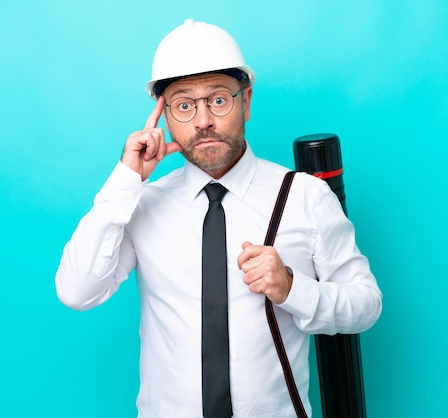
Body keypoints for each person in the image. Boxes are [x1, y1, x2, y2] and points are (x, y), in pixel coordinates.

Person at [56, 18, 382, 418]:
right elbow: (77, 291)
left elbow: (366, 304)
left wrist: (293, 288)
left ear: (246, 103)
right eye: (184, 104)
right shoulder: (141, 203)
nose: (203, 120)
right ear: (165, 116)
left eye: (218, 99)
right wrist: (126, 179)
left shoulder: (304, 197)